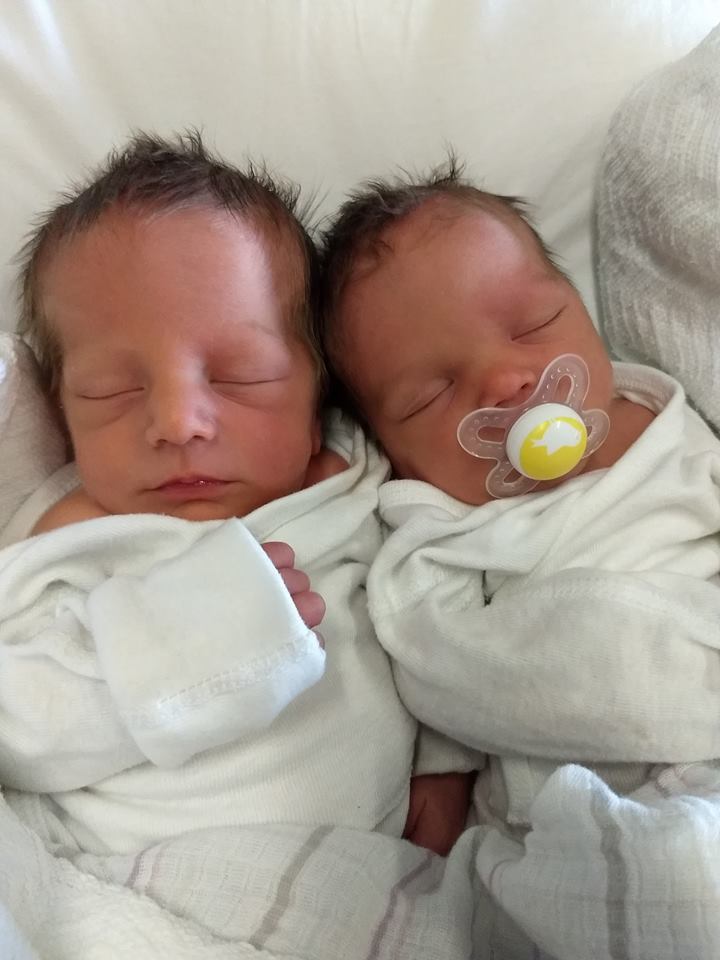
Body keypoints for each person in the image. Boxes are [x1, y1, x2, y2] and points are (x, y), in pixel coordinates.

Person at [0, 134, 473, 856]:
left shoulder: (361, 485)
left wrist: (447, 757)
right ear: (62, 410)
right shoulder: (66, 541)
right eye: (112, 390)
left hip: (375, 872)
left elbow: (439, 610)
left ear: (320, 393)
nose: (178, 422)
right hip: (123, 878)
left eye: (241, 375)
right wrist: (181, 649)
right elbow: (18, 730)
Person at [318, 159, 720, 835]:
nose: (507, 380)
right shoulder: (441, 527)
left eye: (532, 325)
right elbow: (437, 659)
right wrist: (443, 765)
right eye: (434, 393)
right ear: (393, 451)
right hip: (583, 791)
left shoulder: (669, 422)